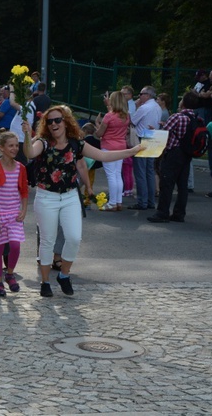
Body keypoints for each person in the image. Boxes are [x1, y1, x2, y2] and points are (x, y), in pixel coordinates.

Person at [23, 107, 142, 297]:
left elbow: (103, 156)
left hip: (70, 195)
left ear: (66, 121)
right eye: (50, 121)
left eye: (58, 120)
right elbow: (29, 153)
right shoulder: (43, 143)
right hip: (47, 197)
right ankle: (45, 282)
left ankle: (64, 275)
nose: (54, 124)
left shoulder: (76, 143)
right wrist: (27, 135)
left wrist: (133, 151)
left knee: (74, 237)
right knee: (48, 241)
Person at [0, 131, 27, 297]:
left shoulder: (20, 168)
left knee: (15, 245)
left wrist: (24, 210)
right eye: (11, 146)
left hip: (14, 213)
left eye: (16, 145)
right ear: (1, 148)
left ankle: (10, 273)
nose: (15, 148)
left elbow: (24, 191)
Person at [148, 92, 200, 223]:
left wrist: (154, 130)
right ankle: (179, 213)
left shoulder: (177, 117)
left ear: (183, 102)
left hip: (173, 153)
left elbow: (164, 133)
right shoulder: (196, 118)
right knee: (182, 185)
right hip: (187, 153)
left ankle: (162, 212)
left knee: (166, 183)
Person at [94, 91, 130, 211]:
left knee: (111, 175)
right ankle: (118, 201)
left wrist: (97, 125)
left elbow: (100, 133)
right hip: (121, 146)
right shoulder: (126, 115)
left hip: (108, 147)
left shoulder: (109, 116)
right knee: (117, 174)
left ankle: (112, 203)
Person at [128, 86, 162, 210]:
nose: (139, 96)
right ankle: (150, 201)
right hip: (154, 137)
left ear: (147, 95)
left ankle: (142, 201)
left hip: (143, 138)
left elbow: (132, 121)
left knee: (140, 172)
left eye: (141, 93)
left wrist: (135, 107)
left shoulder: (144, 107)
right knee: (150, 172)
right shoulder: (157, 106)